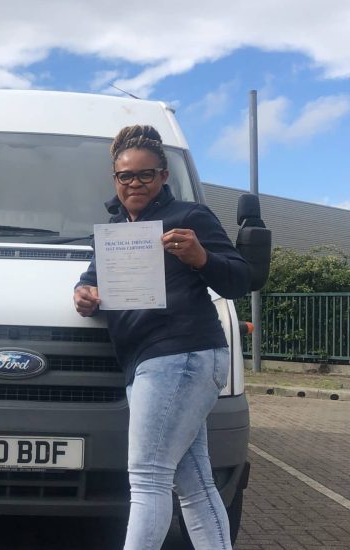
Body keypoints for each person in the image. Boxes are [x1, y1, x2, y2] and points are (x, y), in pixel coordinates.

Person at [73, 125, 250, 550]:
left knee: (149, 477)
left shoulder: (190, 218)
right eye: (125, 176)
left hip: (182, 356)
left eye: (145, 175)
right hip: (148, 363)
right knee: (194, 482)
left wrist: (202, 257)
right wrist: (84, 295)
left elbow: (239, 279)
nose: (134, 184)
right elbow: (90, 280)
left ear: (163, 176)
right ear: (115, 178)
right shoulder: (114, 231)